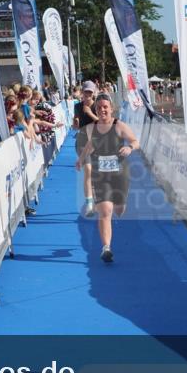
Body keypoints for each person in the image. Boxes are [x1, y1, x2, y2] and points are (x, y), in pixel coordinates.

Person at [76, 94, 139, 263]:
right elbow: (90, 145)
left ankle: (119, 205)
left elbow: (134, 140)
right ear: (96, 110)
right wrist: (81, 159)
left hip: (120, 175)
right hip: (100, 175)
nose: (102, 110)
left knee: (119, 209)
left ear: (111, 108)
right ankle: (106, 248)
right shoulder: (92, 128)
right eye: (99, 108)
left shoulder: (119, 126)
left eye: (105, 107)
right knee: (105, 212)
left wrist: (130, 148)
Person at [72, 81, 99, 216]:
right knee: (88, 170)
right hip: (82, 141)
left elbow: (103, 124)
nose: (87, 94)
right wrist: (75, 123)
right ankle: (89, 204)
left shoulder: (98, 106)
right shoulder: (77, 106)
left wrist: (89, 113)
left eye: (90, 92)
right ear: (82, 92)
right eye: (85, 92)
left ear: (94, 93)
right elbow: (75, 124)